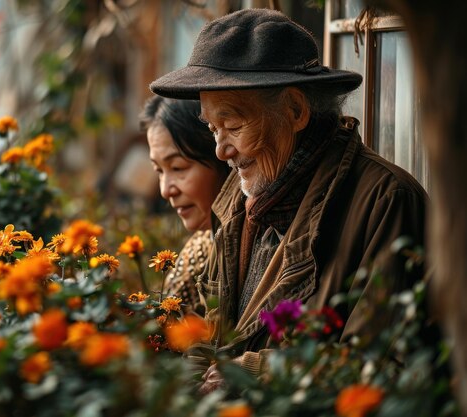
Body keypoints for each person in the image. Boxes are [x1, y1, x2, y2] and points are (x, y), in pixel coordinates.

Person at [149, 8, 428, 392]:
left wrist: (259, 372)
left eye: (232, 126)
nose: (220, 150)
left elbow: (386, 367)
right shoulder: (240, 195)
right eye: (213, 128)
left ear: (296, 111)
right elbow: (208, 331)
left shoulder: (386, 201)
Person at [140, 96, 230, 315]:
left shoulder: (246, 248)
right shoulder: (199, 252)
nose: (165, 190)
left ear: (222, 157)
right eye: (159, 171)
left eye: (178, 168)